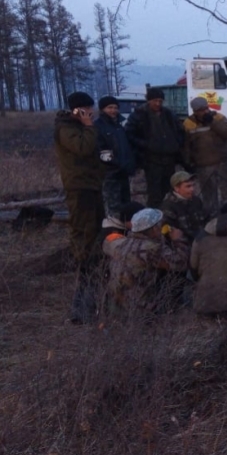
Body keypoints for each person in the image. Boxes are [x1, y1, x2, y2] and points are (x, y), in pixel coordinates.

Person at [54, 91, 105, 323]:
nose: (91, 113)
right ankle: (83, 264)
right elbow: (83, 148)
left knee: (95, 227)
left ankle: (93, 262)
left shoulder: (79, 127)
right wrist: (88, 126)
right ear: (78, 110)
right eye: (87, 109)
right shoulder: (66, 128)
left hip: (91, 184)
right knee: (83, 229)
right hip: (78, 186)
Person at [103, 208, 189, 315]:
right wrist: (178, 240)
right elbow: (181, 264)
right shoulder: (151, 249)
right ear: (153, 229)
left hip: (115, 305)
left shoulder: (121, 243)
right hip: (139, 307)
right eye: (159, 225)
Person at [125, 87, 185, 208]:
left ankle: (169, 215)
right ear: (148, 101)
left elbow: (180, 131)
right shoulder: (139, 115)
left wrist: (177, 144)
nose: (158, 104)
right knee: (154, 192)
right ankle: (155, 219)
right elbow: (129, 134)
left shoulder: (169, 114)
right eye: (155, 101)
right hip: (151, 160)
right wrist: (146, 144)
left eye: (160, 101)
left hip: (169, 158)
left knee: (169, 190)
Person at [183, 96, 227, 216]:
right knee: (209, 196)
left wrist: (212, 122)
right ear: (195, 111)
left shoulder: (219, 117)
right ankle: (212, 219)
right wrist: (188, 162)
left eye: (206, 108)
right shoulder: (188, 123)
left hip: (223, 163)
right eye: (201, 110)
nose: (205, 111)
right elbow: (186, 145)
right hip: (203, 166)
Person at [94, 95, 136, 217]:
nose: (113, 110)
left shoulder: (119, 126)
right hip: (110, 174)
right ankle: (113, 233)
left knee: (126, 208)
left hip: (123, 173)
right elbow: (101, 151)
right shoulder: (98, 127)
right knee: (113, 210)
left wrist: (129, 164)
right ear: (102, 109)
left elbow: (125, 148)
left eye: (115, 107)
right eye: (109, 108)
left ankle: (124, 233)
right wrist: (117, 164)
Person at [160, 171, 209, 242]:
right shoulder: (168, 207)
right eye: (188, 186)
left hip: (202, 240)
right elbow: (167, 233)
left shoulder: (196, 201)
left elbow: (207, 218)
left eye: (193, 185)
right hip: (183, 245)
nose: (192, 189)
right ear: (177, 188)